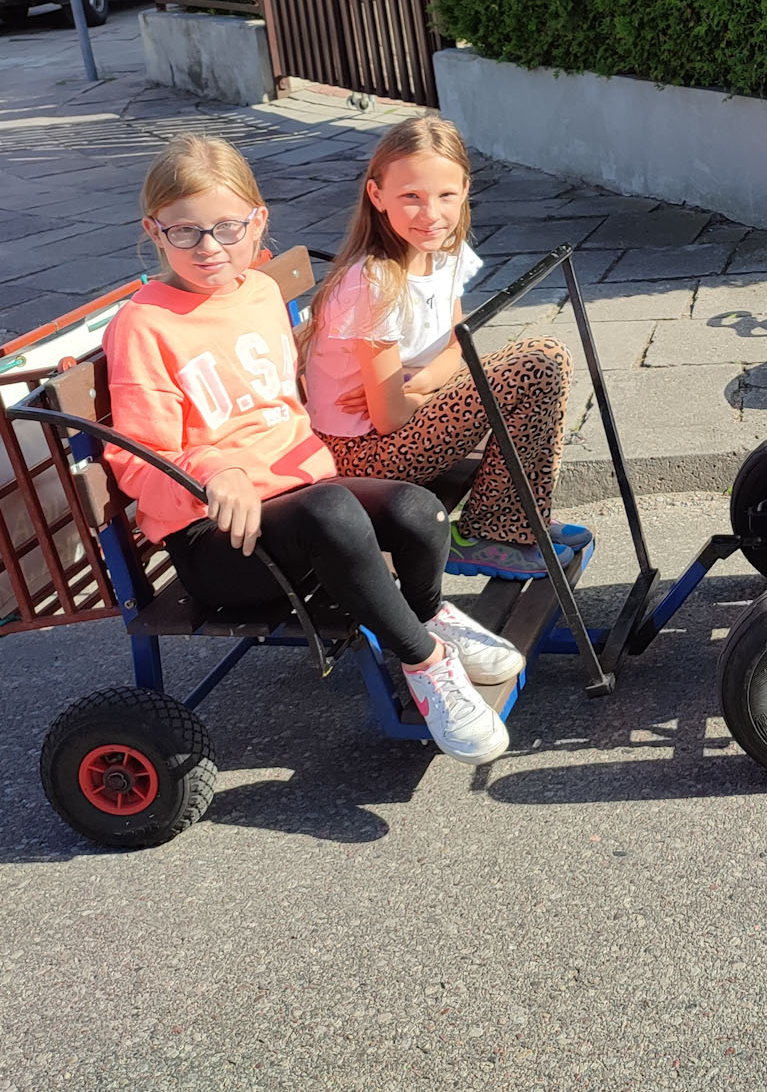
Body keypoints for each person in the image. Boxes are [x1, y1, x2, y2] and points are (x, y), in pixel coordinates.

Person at [104, 135, 518, 763]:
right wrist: (214, 470)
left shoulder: (259, 292)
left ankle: (427, 615)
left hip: (300, 503)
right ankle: (427, 663)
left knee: (416, 510)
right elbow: (136, 457)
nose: (210, 247)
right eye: (185, 232)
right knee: (333, 512)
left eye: (227, 227)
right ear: (153, 232)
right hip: (219, 538)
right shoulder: (143, 325)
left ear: (258, 222)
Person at [302, 116, 587, 580]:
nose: (430, 213)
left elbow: (458, 350)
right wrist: (424, 392)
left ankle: (518, 516)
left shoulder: (444, 253)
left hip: (402, 423)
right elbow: (389, 418)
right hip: (363, 454)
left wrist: (420, 385)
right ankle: (490, 530)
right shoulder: (374, 281)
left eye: (445, 195)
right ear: (377, 195)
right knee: (540, 362)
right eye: (411, 197)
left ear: (465, 190)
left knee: (545, 362)